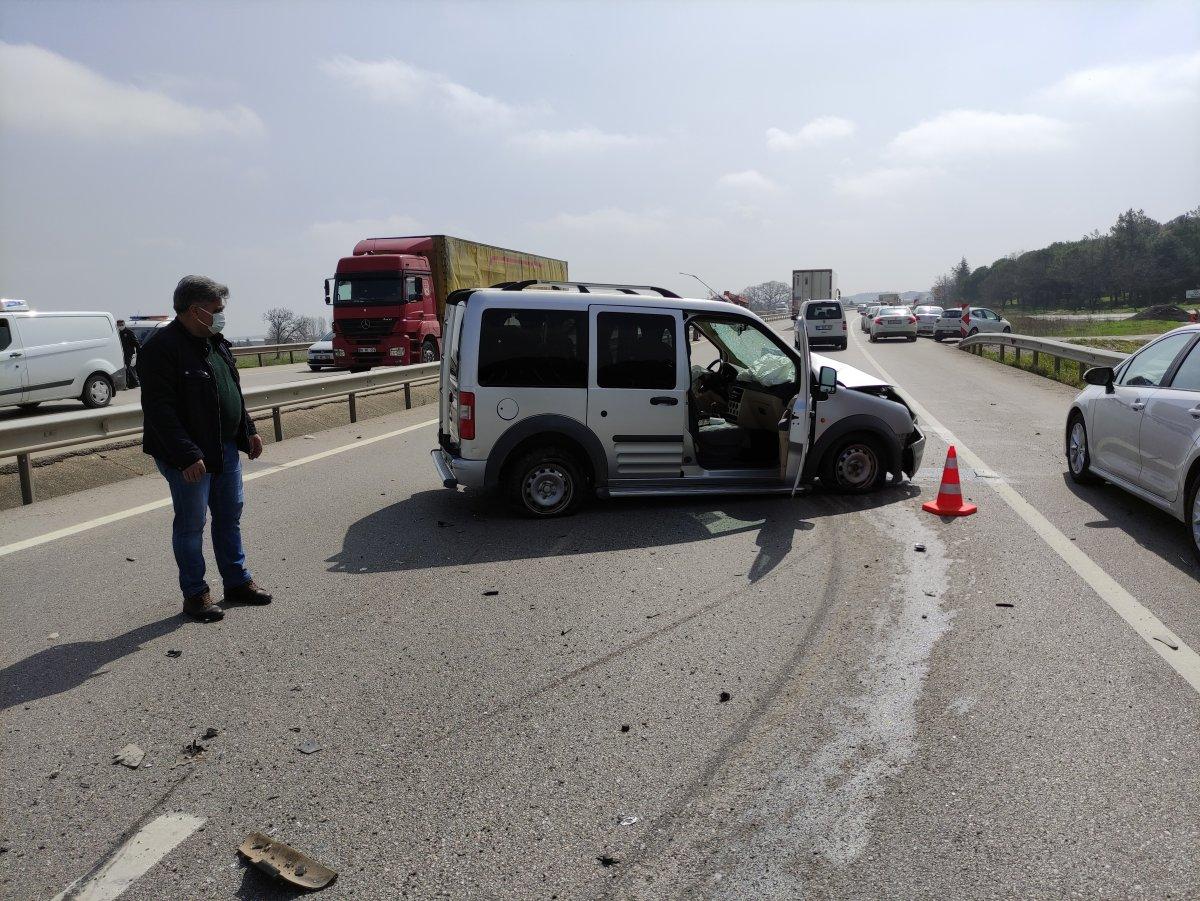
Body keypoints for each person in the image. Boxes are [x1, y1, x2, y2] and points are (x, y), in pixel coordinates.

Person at [137, 276, 272, 622]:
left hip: (224, 447)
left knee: (229, 517)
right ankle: (195, 594)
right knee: (191, 525)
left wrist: (249, 431)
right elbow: (159, 410)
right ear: (195, 310)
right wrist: (186, 455)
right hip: (188, 456)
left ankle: (237, 582)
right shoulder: (160, 349)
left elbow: (231, 392)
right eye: (217, 310)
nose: (221, 316)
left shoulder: (216, 342)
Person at [116, 319, 140, 388]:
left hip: (128, 353)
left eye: (121, 325)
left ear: (124, 324)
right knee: (125, 368)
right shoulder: (118, 333)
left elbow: (136, 343)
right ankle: (130, 383)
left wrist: (138, 352)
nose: (120, 326)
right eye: (119, 325)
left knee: (127, 368)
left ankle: (133, 383)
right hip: (121, 353)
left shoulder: (129, 332)